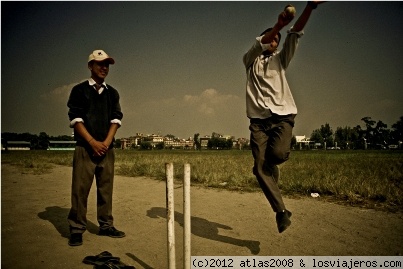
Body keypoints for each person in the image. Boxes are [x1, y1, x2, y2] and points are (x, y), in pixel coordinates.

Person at [243, 1, 324, 233]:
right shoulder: (250, 61)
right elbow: (263, 42)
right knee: (259, 169)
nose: (274, 41)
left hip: (282, 117)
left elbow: (295, 33)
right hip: (258, 122)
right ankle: (281, 212)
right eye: (270, 38)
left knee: (277, 155)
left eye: (276, 40)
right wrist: (278, 25)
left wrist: (310, 7)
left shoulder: (280, 59)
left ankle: (272, 165)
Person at [67, 49, 124, 246]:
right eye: (100, 64)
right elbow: (76, 118)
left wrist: (106, 143)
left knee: (106, 189)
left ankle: (106, 226)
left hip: (107, 149)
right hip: (85, 148)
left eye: (107, 64)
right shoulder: (79, 90)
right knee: (80, 190)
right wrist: (92, 142)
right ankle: (76, 228)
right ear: (91, 66)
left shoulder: (112, 93)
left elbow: (116, 119)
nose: (104, 68)